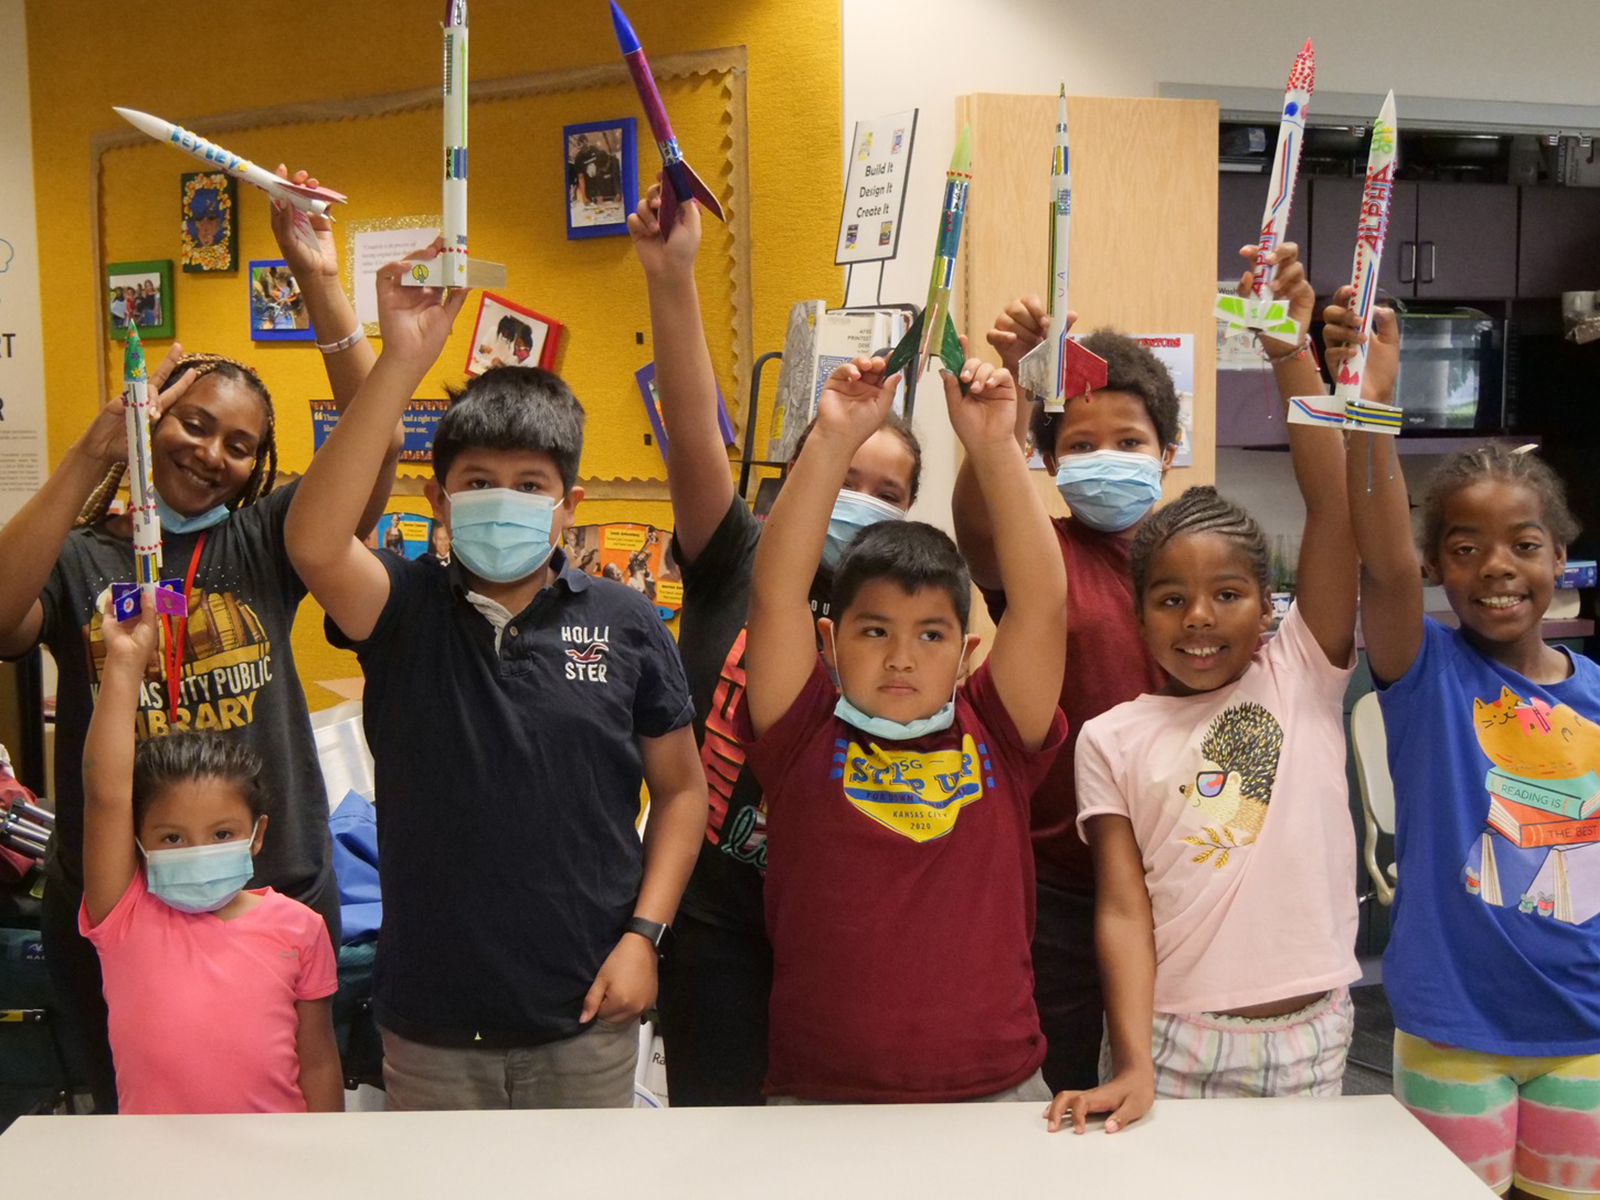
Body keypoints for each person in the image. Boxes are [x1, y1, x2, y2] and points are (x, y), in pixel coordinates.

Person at [0, 165, 392, 1113]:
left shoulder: (262, 542)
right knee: (134, 1114)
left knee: (288, 1107)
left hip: (273, 880)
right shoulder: (85, 556)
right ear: (152, 414)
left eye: (241, 445)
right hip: (115, 900)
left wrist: (318, 278)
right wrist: (96, 445)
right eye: (193, 423)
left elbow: (370, 461)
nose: (211, 452)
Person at [284, 246, 708, 1112]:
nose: (502, 499)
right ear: (438, 501)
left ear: (568, 505)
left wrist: (646, 936)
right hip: (432, 1026)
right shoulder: (401, 611)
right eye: (477, 482)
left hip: (586, 1010)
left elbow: (681, 792)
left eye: (529, 485)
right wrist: (402, 355)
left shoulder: (625, 623)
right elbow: (315, 543)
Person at [1046, 245, 1359, 1133]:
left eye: (1227, 596)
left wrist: (1287, 348)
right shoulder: (1109, 738)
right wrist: (1134, 1058)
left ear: (1269, 604)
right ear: (1138, 617)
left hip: (1311, 1031)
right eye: (1171, 600)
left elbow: (1334, 510)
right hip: (1174, 1037)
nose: (1199, 619)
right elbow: (1120, 906)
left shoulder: (1300, 670)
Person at [628, 185, 922, 1106]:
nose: (860, 495)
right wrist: (670, 275)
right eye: (843, 469)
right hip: (713, 923)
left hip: (842, 925)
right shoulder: (736, 558)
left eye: (889, 488)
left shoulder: (902, 612)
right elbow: (688, 428)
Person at [737, 350, 1067, 1103]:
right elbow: (778, 593)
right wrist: (831, 439)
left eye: (930, 635)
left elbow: (1043, 603)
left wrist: (993, 446)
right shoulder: (801, 734)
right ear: (830, 645)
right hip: (822, 1098)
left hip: (997, 1090)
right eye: (875, 631)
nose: (900, 659)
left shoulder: (996, 733)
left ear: (966, 652)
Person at [1329, 291, 1600, 1197]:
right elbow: (1382, 562)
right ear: (1440, 565)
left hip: (1587, 1028)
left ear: (1560, 559)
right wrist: (1373, 404)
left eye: (1523, 544)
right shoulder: (1428, 670)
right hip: (1454, 1025)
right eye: (1465, 546)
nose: (1495, 567)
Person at [951, 304, 1179, 1095]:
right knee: (1062, 1090)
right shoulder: (1040, 550)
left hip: (1177, 880)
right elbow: (978, 525)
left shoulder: (1194, 569)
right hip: (1051, 887)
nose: (1106, 458)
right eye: (1080, 446)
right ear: (1046, 460)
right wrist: (1007, 403)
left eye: (1130, 443)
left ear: (1167, 453)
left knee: (1164, 1088)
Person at [80, 604, 340, 1114]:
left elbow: (319, 1062)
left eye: (222, 833)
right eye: (172, 837)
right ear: (137, 842)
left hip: (274, 1169)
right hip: (158, 1173)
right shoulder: (123, 916)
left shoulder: (300, 929)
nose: (199, 850)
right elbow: (105, 795)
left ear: (257, 835)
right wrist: (124, 666)